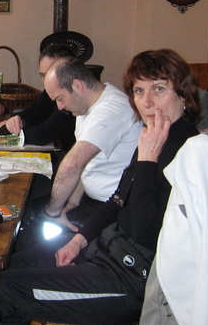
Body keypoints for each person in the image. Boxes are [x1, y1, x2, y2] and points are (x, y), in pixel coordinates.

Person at [0, 49, 202, 325]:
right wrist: (79, 239)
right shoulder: (158, 133)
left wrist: (148, 160)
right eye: (139, 91)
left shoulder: (185, 148)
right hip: (108, 252)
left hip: (134, 282)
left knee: (6, 292)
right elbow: (118, 200)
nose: (147, 103)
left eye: (158, 89)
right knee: (12, 265)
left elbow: (144, 233)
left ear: (182, 93)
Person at [42, 58, 141, 227]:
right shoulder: (86, 107)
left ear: (77, 86)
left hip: (113, 209)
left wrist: (51, 214)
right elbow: (86, 164)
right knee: (31, 214)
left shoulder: (111, 111)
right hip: (90, 200)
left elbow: (72, 165)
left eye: (60, 98)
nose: (59, 106)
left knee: (34, 226)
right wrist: (72, 203)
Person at [0, 42, 77, 153]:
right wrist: (17, 120)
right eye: (43, 75)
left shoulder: (73, 96)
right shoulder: (50, 91)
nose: (46, 80)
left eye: (50, 73)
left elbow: (43, 135)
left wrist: (7, 129)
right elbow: (35, 111)